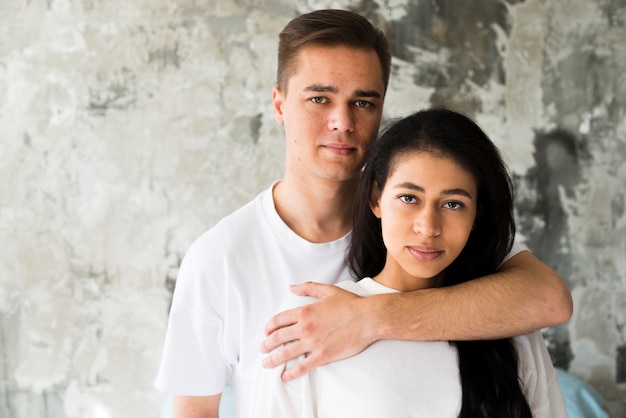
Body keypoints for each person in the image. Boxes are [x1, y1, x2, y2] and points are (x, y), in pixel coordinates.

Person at [155, 9, 572, 417]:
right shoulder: (219, 258)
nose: (342, 121)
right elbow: (194, 410)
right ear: (279, 105)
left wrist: (370, 318)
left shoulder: (426, 231)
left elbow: (548, 300)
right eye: (319, 98)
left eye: (364, 103)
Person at [251, 108, 568, 417]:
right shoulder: (313, 322)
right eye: (409, 198)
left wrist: (373, 318)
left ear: (477, 215)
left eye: (453, 204)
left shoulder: (510, 324)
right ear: (376, 199)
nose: (428, 226)